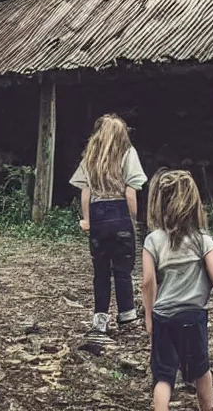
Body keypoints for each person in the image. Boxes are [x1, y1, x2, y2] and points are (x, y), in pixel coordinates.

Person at [141, 169, 213, 411]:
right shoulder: (203, 240)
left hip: (163, 318)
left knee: (163, 376)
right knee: (201, 371)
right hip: (193, 317)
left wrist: (148, 318)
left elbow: (147, 281)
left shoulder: (152, 240)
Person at [70, 114, 148, 342]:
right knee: (123, 270)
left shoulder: (90, 156)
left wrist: (87, 219)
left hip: (98, 214)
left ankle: (100, 319)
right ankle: (127, 316)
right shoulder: (127, 153)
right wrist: (132, 219)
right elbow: (131, 191)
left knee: (101, 271)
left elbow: (85, 191)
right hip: (120, 213)